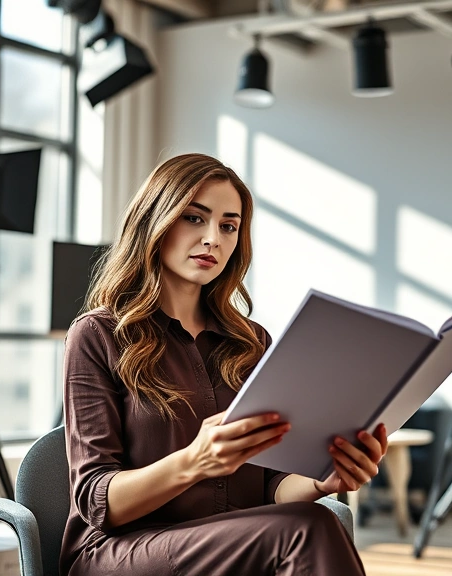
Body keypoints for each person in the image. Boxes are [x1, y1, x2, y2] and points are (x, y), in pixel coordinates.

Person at [61, 153, 389, 575]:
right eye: (194, 219)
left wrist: (322, 481)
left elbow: (272, 486)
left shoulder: (252, 343)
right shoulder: (97, 335)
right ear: (154, 221)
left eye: (228, 226)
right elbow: (96, 500)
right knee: (309, 529)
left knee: (315, 517)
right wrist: (193, 460)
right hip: (118, 551)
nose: (213, 238)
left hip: (233, 541)